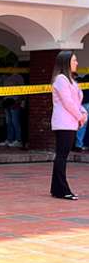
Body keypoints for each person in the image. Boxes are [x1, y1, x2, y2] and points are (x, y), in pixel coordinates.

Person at [50, 50, 86, 200]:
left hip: (71, 122)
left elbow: (77, 103)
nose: (77, 63)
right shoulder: (61, 79)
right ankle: (62, 189)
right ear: (66, 63)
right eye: (74, 60)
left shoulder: (71, 80)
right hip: (64, 123)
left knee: (62, 156)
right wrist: (80, 116)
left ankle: (56, 188)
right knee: (62, 156)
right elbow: (67, 102)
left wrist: (84, 114)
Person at [0, 70, 25, 148]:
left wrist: (19, 101)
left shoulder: (18, 77)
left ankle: (18, 140)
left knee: (15, 121)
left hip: (15, 102)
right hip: (6, 102)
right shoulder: (4, 77)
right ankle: (9, 139)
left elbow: (23, 90)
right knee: (8, 122)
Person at [74, 73, 89, 151]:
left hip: (83, 104)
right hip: (85, 104)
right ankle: (78, 145)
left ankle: (78, 145)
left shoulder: (81, 79)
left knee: (82, 125)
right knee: (82, 125)